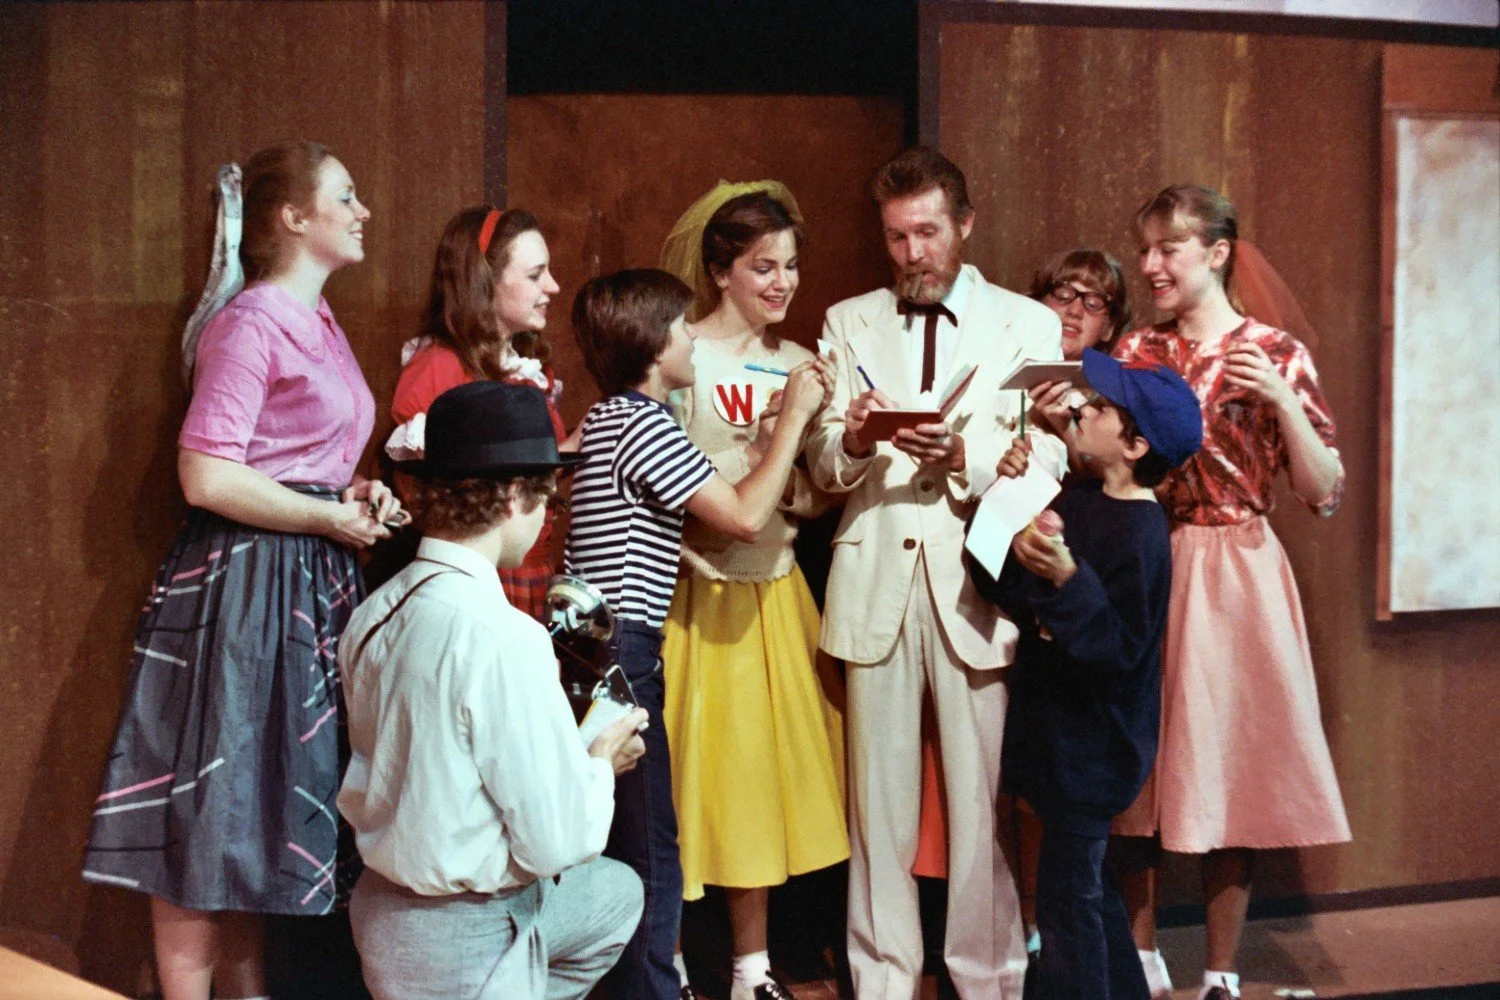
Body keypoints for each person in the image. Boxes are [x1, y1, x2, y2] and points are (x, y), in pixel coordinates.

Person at [82, 142, 397, 1000]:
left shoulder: (318, 323)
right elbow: (207, 474)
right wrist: (327, 513)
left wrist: (354, 492)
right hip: (245, 589)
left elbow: (295, 457)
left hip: (305, 583)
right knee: (212, 810)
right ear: (293, 218)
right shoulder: (251, 322)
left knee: (260, 810)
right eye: (347, 194)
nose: (362, 210)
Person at [1032, 184, 1350, 1000]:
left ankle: (1221, 970)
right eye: (1146, 248)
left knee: (1232, 765)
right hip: (1151, 552)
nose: (1151, 264)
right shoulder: (1140, 350)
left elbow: (1324, 491)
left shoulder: (1275, 351)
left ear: (1215, 252)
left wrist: (1281, 400)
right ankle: (1135, 960)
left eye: (1169, 248)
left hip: (1238, 566)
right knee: (1139, 762)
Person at [803, 145, 1067, 999]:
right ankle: (880, 982)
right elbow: (817, 461)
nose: (912, 254)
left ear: (964, 226)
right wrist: (850, 436)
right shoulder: (849, 320)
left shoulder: (1026, 323)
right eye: (896, 236)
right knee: (875, 811)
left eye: (927, 233)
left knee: (981, 805)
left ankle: (987, 980)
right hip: (874, 574)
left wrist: (967, 455)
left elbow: (1049, 452)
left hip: (975, 585)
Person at [564, 268, 833, 1000]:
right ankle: (652, 988)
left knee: (625, 833)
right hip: (622, 650)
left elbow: (667, 503)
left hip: (590, 644)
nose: (693, 341)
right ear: (654, 345)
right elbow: (744, 517)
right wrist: (792, 421)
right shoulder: (648, 420)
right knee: (649, 843)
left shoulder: (610, 417)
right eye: (683, 329)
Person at [339, 381, 646, 1000]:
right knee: (601, 878)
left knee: (615, 892)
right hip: (464, 926)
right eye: (546, 503)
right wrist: (597, 766)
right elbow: (556, 840)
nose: (545, 521)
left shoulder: (372, 611)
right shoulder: (505, 636)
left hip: (377, 907)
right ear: (512, 497)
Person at [658, 183, 849, 1000]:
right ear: (720, 271)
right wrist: (760, 447)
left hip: (775, 590)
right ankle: (661, 962)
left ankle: (753, 969)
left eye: (792, 266)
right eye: (762, 266)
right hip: (696, 596)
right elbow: (667, 488)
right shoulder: (680, 357)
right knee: (686, 786)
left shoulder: (799, 361)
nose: (782, 283)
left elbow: (809, 494)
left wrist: (841, 443)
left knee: (761, 785)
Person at [973, 348, 1202, 1000]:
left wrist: (1067, 579)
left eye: (1100, 407)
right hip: (1058, 741)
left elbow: (1118, 650)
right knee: (1088, 897)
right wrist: (1006, 494)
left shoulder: (1143, 533)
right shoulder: (1077, 499)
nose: (1082, 408)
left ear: (1134, 444)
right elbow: (1001, 584)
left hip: (1093, 750)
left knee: (1069, 906)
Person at [385, 207, 570, 619]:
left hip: (532, 569)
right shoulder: (440, 366)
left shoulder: (526, 369)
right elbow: (423, 499)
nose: (553, 287)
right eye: (535, 275)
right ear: (484, 281)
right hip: (478, 580)